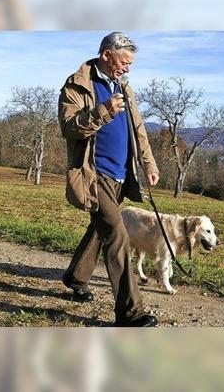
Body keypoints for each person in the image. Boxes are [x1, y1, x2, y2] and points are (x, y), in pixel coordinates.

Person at [58, 31, 160, 327]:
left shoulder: (123, 87)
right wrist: (103, 112)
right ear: (107, 55)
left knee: (100, 228)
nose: (128, 68)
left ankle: (76, 277)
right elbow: (69, 128)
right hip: (93, 174)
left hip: (120, 175)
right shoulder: (77, 85)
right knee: (116, 234)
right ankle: (131, 313)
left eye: (130, 64)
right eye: (124, 62)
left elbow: (138, 129)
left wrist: (148, 163)